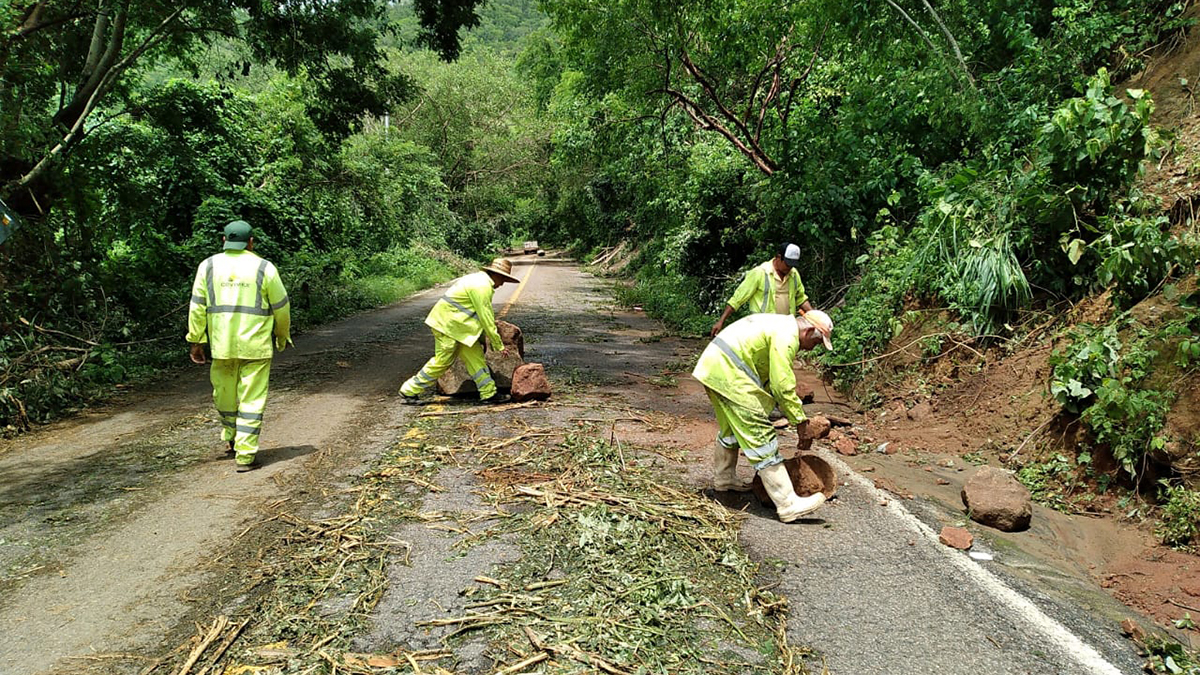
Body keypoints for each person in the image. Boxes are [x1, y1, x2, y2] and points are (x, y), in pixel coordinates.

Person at [692, 310, 834, 522]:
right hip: (728, 374)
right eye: (816, 343)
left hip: (713, 368)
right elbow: (782, 384)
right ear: (809, 330)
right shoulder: (787, 337)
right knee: (761, 433)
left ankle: (724, 479)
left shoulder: (780, 325)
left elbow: (766, 373)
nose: (812, 348)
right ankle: (787, 504)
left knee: (732, 429)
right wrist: (800, 421)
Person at [187, 220, 291, 473]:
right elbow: (281, 307)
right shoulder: (264, 268)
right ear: (251, 242)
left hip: (221, 346)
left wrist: (196, 341)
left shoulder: (208, 266)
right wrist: (281, 335)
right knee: (252, 400)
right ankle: (245, 455)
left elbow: (197, 306)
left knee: (223, 394)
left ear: (224, 241)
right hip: (255, 346)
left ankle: (231, 436)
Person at [399, 258, 521, 405]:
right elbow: (486, 317)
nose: (502, 284)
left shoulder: (478, 279)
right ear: (496, 275)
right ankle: (409, 390)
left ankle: (488, 393)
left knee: (475, 358)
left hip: (460, 329)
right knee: (443, 360)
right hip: (447, 325)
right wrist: (498, 344)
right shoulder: (483, 287)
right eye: (503, 279)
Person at [711, 243, 815, 337]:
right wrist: (721, 321)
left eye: (792, 265)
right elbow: (737, 299)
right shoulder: (759, 273)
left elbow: (801, 298)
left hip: (785, 329)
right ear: (778, 258)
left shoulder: (794, 274)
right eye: (787, 264)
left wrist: (815, 316)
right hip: (762, 328)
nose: (789, 268)